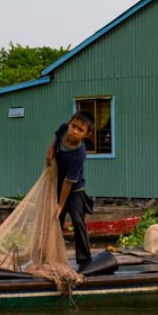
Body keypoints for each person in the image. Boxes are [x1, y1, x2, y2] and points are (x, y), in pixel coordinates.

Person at [45, 111, 95, 270]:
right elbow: (56, 140)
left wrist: (60, 206)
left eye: (80, 130)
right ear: (69, 123)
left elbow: (69, 182)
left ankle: (85, 259)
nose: (74, 131)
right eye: (73, 126)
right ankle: (52, 256)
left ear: (87, 134)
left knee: (77, 220)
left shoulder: (79, 154)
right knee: (54, 220)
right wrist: (51, 149)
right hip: (58, 183)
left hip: (74, 189)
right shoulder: (62, 129)